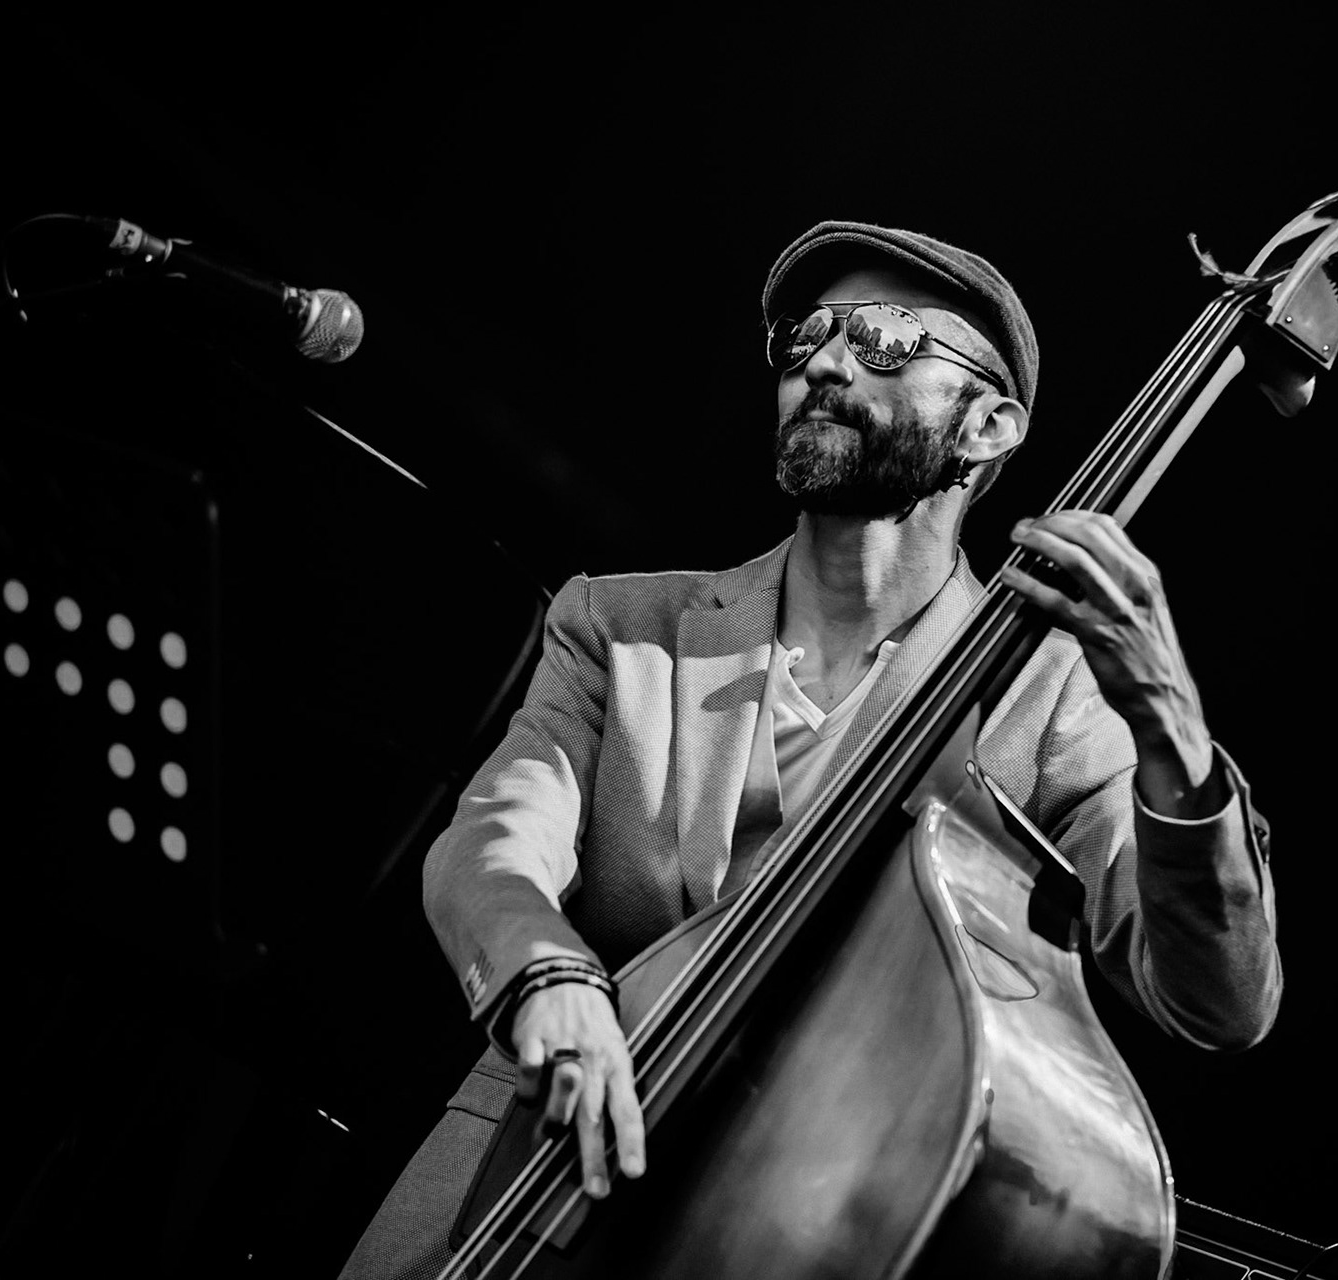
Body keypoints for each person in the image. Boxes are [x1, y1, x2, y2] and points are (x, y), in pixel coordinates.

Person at [340, 221, 1282, 1277]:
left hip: (781, 1230)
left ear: (988, 426)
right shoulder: (622, 625)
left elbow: (1215, 999)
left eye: (883, 340)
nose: (825, 361)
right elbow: (491, 844)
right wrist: (548, 978)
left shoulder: (1053, 697)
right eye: (807, 337)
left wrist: (1171, 725)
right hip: (510, 1188)